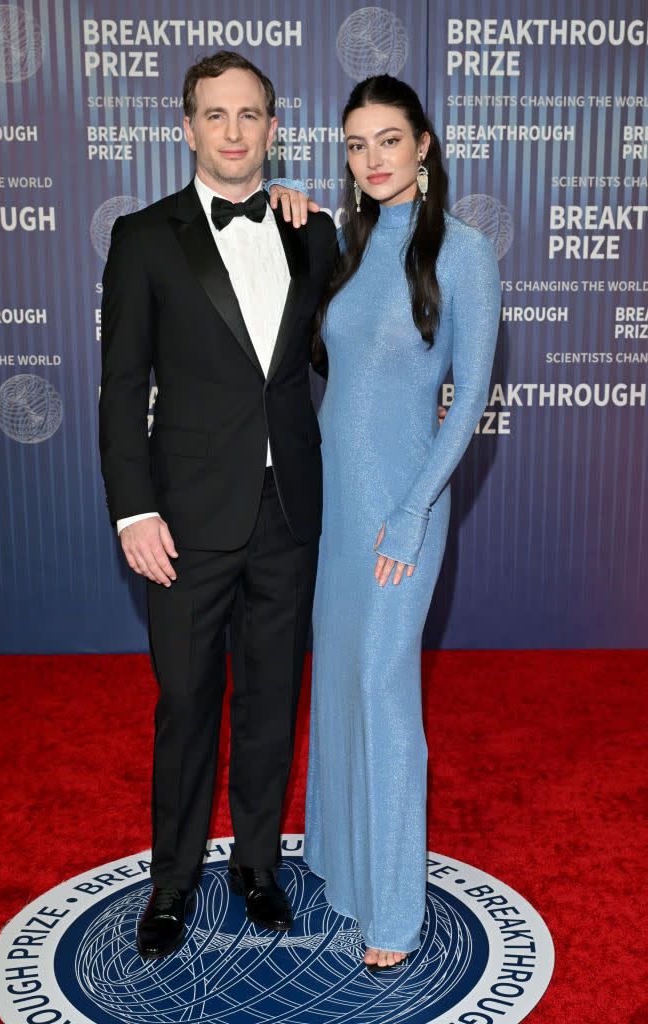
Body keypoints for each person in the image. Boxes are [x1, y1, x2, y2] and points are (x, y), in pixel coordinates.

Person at [98, 50, 336, 960]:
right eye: (215, 115)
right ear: (185, 126)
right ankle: (172, 881)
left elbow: (334, 358)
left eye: (250, 116)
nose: (234, 133)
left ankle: (259, 868)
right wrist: (134, 511)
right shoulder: (144, 236)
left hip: (291, 510)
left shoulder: (310, 232)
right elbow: (123, 389)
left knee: (273, 699)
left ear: (274, 129)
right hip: (186, 519)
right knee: (187, 702)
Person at [268, 75, 501, 970]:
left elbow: (469, 398)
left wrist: (411, 515)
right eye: (356, 145)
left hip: (404, 509)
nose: (372, 159)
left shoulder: (465, 253)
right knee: (335, 687)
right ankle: (340, 866)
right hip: (333, 511)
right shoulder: (348, 248)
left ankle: (394, 912)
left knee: (380, 690)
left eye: (389, 141)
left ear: (424, 145)